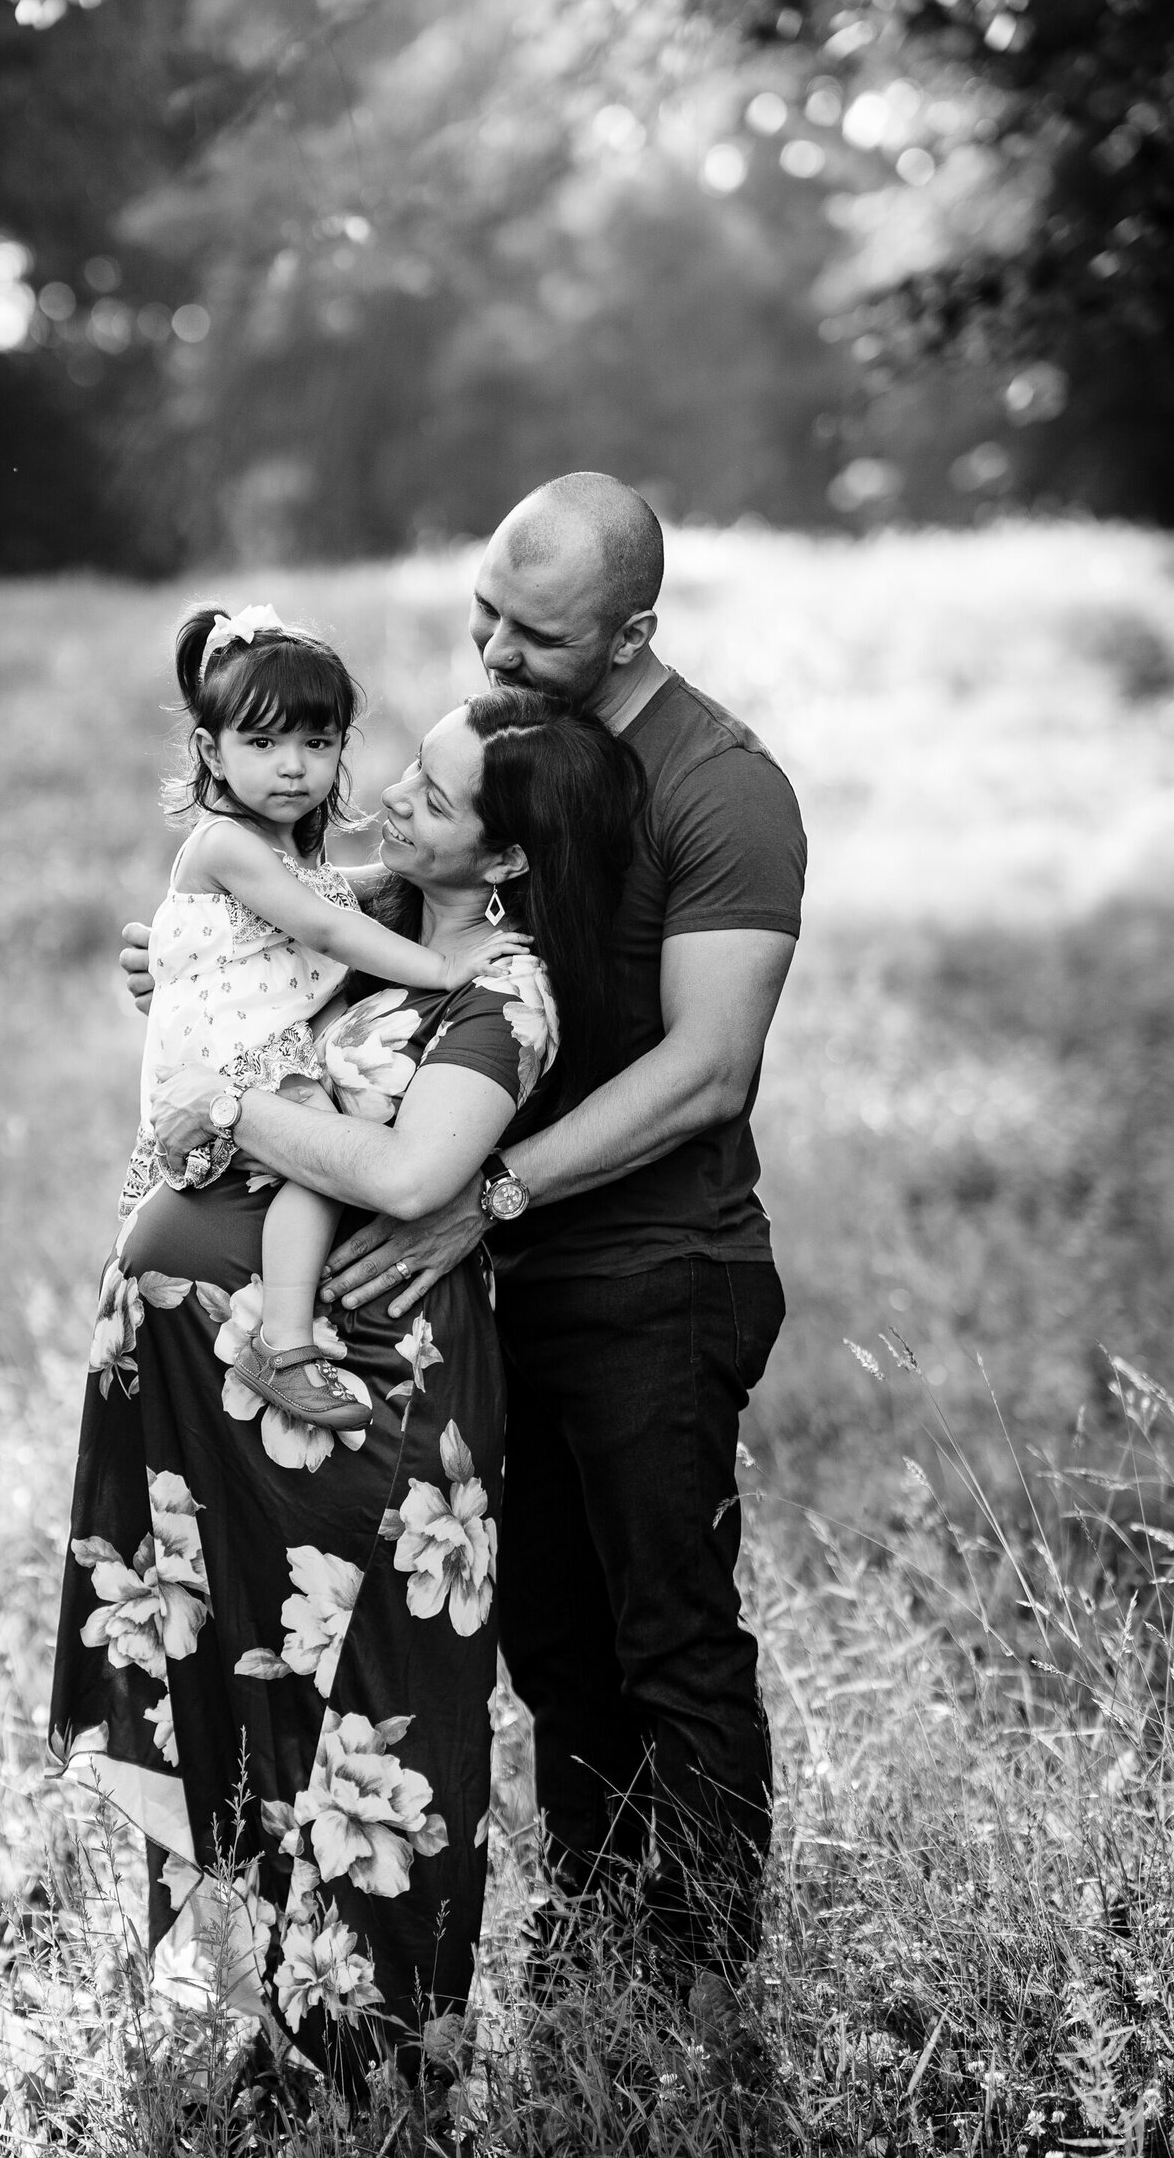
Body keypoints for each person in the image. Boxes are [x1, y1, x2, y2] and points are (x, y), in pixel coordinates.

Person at [121, 476, 806, 2044]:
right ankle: (596, 1943)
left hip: (652, 1265)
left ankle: (698, 1978)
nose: (488, 643)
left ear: (631, 631)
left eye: (530, 629)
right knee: (555, 1643)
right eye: (481, 606)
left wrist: (481, 1188)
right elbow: (357, 918)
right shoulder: (483, 761)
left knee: (666, 1627)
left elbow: (709, 1066)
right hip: (506, 1281)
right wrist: (201, 965)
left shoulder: (723, 790)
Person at [53, 687, 642, 2087]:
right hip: (227, 1409)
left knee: (383, 1726)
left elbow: (406, 1177)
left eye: (431, 800)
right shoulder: (373, 911)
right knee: (264, 1694)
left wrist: (218, 1095)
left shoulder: (502, 992)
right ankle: (265, 2032)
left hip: (373, 1410)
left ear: (501, 858)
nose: (382, 802)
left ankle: (373, 2070)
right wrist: (176, 974)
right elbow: (224, 941)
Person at [128, 600, 524, 1431]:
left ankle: (285, 1330)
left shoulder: (293, 853)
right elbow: (327, 927)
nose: (293, 768)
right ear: (210, 750)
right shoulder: (230, 843)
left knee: (317, 1163)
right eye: (263, 744)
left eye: (317, 743)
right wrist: (443, 967)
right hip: (234, 1062)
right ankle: (284, 1341)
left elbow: (326, 915)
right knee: (318, 1163)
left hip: (246, 1055)